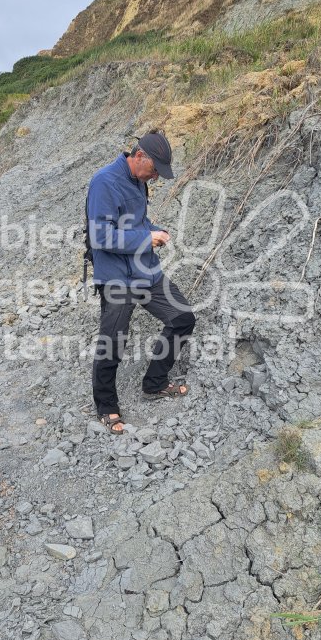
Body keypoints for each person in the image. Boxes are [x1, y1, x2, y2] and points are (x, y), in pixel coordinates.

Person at [87, 129, 196, 433]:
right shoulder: (104, 182)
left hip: (145, 270)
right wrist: (146, 238)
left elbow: (138, 221)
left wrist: (154, 230)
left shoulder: (138, 180)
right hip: (117, 276)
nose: (156, 178)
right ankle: (107, 405)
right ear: (138, 157)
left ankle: (155, 382)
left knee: (182, 318)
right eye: (154, 171)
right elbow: (100, 236)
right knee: (113, 341)